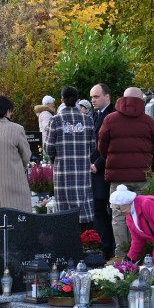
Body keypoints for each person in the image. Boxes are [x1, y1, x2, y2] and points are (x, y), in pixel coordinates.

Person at [98, 86, 154, 258]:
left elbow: (102, 146)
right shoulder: (147, 121)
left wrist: (112, 160)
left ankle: (121, 253)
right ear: (140, 100)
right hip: (141, 176)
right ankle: (139, 253)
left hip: (118, 178)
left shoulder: (110, 119)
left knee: (118, 215)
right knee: (141, 213)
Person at [46, 86, 96, 229]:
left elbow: (49, 148)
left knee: (65, 213)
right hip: (82, 172)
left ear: (62, 100)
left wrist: (56, 158)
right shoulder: (87, 120)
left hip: (63, 173)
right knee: (83, 208)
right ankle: (86, 243)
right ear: (77, 100)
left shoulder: (55, 120)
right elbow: (93, 147)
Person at [89, 84, 116, 258]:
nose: (93, 100)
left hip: (105, 171)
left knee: (107, 212)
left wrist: (98, 163)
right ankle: (102, 247)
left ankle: (108, 249)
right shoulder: (95, 115)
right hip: (94, 172)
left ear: (107, 97)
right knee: (99, 212)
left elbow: (111, 144)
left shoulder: (112, 115)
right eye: (92, 97)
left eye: (96, 97)